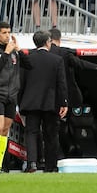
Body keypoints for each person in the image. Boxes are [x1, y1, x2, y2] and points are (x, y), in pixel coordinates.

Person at [48, 28, 97, 156]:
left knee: (56, 127)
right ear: (59, 39)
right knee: (68, 124)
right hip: (69, 97)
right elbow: (81, 64)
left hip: (49, 97)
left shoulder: (42, 53)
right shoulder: (65, 53)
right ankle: (73, 149)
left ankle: (59, 154)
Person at [0, 21, 31, 173]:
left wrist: (19, 49)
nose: (7, 35)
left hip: (11, 95)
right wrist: (5, 53)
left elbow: (30, 65)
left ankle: (0, 165)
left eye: (9, 32)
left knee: (5, 130)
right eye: (4, 33)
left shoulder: (15, 52)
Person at [19, 31, 68, 172]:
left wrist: (20, 103)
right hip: (50, 102)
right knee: (51, 135)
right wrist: (64, 103)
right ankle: (50, 166)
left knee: (31, 133)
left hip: (31, 103)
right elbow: (61, 84)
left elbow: (21, 83)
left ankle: (32, 164)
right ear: (48, 42)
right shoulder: (57, 59)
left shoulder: (28, 59)